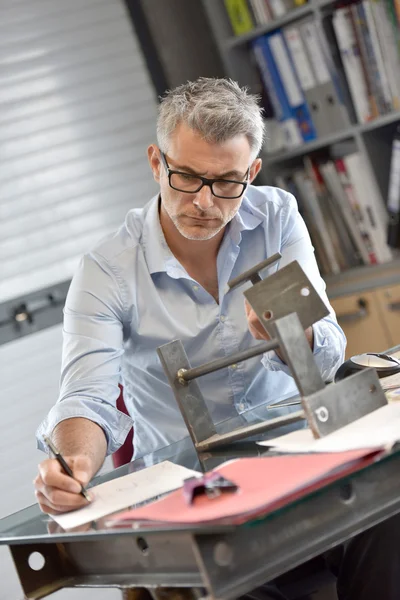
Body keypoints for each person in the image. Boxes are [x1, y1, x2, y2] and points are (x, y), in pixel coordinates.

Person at [34, 78, 400, 600]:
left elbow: (327, 353)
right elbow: (86, 398)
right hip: (199, 497)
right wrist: (75, 467)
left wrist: (291, 332)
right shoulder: (106, 271)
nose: (205, 203)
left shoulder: (276, 217)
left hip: (301, 463)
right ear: (157, 163)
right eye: (186, 178)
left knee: (392, 514)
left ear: (251, 173)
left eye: (227, 182)